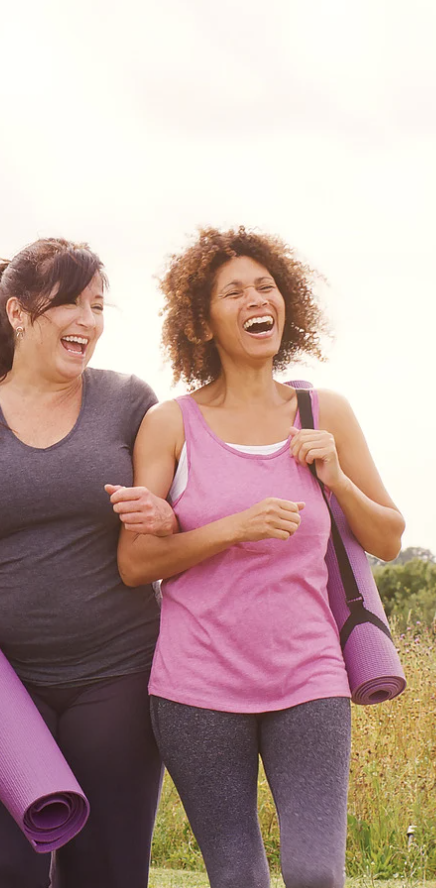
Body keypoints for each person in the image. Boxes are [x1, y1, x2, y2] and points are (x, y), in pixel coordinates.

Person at [110, 227, 405, 888]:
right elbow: (135, 563)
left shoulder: (324, 411)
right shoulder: (170, 423)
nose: (255, 299)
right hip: (196, 684)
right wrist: (230, 529)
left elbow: (388, 537)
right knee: (237, 878)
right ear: (203, 321)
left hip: (309, 674)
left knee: (314, 874)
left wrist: (337, 478)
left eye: (266, 287)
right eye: (234, 291)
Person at [0, 237, 173, 888]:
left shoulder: (130, 401)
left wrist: (167, 516)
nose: (90, 320)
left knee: (107, 872)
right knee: (2, 866)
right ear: (20, 313)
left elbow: (172, 518)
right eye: (72, 303)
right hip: (0, 682)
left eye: (99, 305)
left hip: (116, 671)